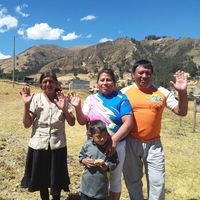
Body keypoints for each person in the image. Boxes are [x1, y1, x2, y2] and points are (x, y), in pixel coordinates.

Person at [121, 59, 188, 200]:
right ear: (133, 74)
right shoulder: (124, 93)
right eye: (141, 72)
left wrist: (182, 92)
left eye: (148, 73)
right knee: (132, 180)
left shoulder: (162, 92)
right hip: (130, 143)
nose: (144, 76)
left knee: (158, 182)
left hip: (154, 145)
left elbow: (181, 112)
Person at [69, 68, 133, 200]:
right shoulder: (91, 99)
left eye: (109, 80)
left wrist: (114, 140)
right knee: (94, 174)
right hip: (94, 146)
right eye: (102, 80)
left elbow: (128, 123)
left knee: (114, 179)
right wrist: (77, 107)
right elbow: (82, 121)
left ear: (114, 82)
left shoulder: (121, 99)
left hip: (116, 146)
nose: (105, 83)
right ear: (97, 82)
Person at [20, 71, 75, 200]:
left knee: (56, 178)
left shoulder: (62, 98)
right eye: (45, 82)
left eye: (51, 81)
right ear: (40, 84)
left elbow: (72, 122)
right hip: (39, 144)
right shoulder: (36, 99)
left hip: (58, 145)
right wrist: (26, 105)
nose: (48, 84)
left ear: (56, 83)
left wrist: (64, 109)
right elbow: (27, 124)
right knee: (42, 178)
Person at [79, 120, 119, 200]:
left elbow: (115, 161)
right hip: (86, 187)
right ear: (91, 136)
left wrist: (107, 166)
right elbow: (81, 156)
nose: (102, 139)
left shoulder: (109, 148)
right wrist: (84, 161)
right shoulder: (87, 145)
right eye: (99, 136)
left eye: (104, 135)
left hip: (101, 189)